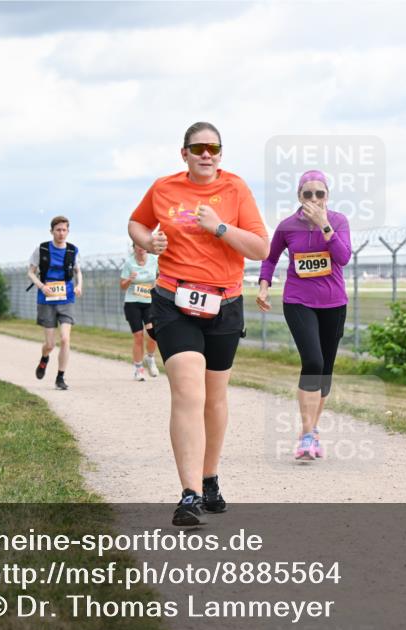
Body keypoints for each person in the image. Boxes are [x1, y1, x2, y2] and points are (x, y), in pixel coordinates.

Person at [129, 121, 268, 526]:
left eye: (214, 147)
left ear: (220, 154)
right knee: (188, 390)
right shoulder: (164, 188)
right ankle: (188, 494)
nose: (207, 154)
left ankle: (210, 478)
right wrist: (147, 241)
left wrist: (220, 228)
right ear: (184, 153)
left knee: (214, 397)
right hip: (173, 299)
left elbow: (260, 248)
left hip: (224, 303)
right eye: (198, 148)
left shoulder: (236, 189)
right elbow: (136, 223)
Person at [258, 170, 351, 461]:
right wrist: (264, 286)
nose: (313, 199)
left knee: (325, 369)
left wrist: (324, 225)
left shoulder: (338, 221)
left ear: (327, 196)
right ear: (299, 196)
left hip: (333, 303)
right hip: (298, 301)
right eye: (307, 194)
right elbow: (270, 258)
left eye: (319, 194)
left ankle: (310, 432)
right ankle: (308, 434)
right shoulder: (287, 227)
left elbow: (343, 257)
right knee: (312, 361)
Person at [28, 216, 83, 390]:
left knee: (65, 339)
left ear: (68, 231)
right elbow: (30, 272)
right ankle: (44, 358)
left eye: (64, 230)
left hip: (66, 297)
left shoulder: (73, 250)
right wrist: (41, 286)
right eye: (58, 230)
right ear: (52, 231)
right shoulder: (42, 249)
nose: (61, 233)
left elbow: (78, 271)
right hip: (46, 298)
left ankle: (60, 377)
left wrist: (79, 285)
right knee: (50, 344)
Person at [120, 242, 160, 381]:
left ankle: (150, 358)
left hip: (150, 302)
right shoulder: (129, 263)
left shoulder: (154, 260)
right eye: (138, 245)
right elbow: (122, 286)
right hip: (133, 302)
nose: (141, 247)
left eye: (143, 244)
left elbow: (161, 276)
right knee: (138, 335)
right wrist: (130, 279)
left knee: (152, 334)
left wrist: (157, 282)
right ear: (134, 247)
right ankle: (138, 368)